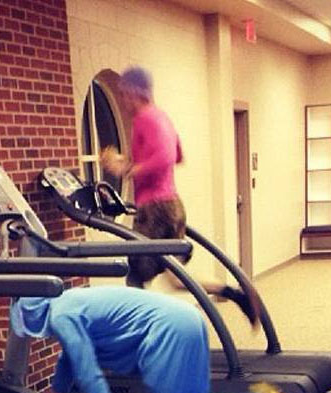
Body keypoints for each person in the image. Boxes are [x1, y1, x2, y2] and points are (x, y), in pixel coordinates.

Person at [10, 286, 305, 393]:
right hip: (186, 317)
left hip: (167, 328)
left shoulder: (61, 316)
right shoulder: (67, 300)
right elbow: (69, 357)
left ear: (30, 316)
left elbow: (86, 368)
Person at [100, 65, 262, 327]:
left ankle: (141, 333)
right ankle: (237, 296)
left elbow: (165, 158)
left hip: (155, 208)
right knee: (175, 279)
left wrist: (127, 169)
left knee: (135, 275)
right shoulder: (162, 118)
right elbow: (176, 155)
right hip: (171, 205)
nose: (122, 99)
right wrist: (128, 162)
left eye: (123, 93)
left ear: (134, 92)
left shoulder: (145, 119)